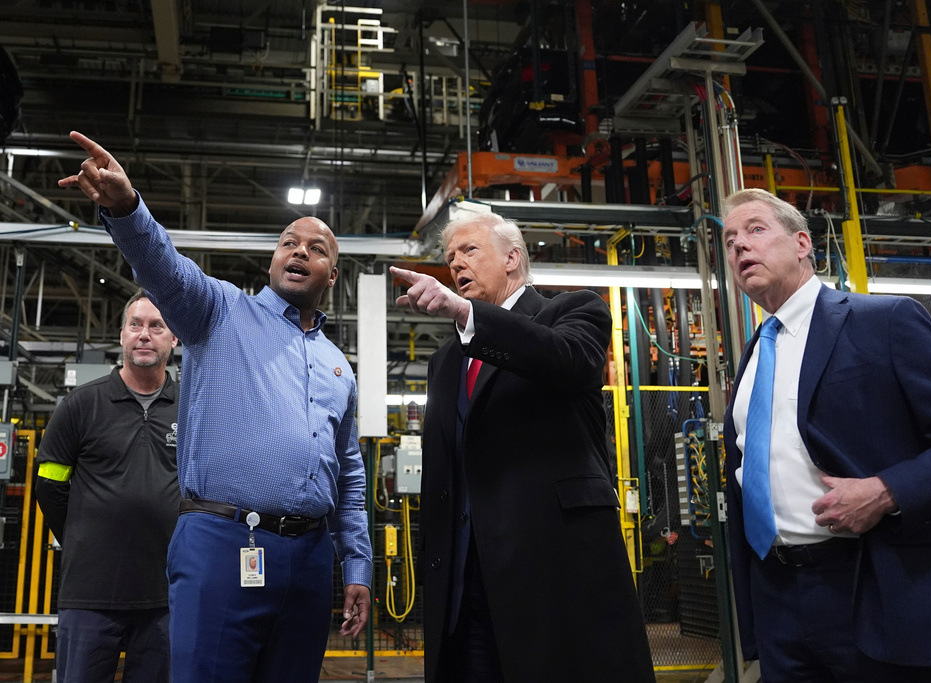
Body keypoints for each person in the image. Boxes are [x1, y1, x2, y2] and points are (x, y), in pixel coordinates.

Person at [58, 131, 371, 683]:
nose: (299, 250)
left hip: (310, 558)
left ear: (332, 274)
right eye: (288, 242)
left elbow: (349, 473)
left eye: (316, 248)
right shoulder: (219, 313)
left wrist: (359, 565)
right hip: (224, 544)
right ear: (274, 259)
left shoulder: (338, 365)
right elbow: (164, 268)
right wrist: (128, 208)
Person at [721, 187, 931, 682]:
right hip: (781, 604)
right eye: (729, 241)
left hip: (879, 589)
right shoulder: (753, 356)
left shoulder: (883, 321)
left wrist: (886, 491)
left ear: (802, 243)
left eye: (755, 230)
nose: (740, 248)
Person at [390, 211, 655, 683]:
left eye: (469, 250)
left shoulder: (574, 311)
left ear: (513, 258)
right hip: (464, 584)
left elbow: (565, 360)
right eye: (450, 258)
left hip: (553, 573)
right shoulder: (447, 359)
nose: (456, 265)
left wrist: (465, 314)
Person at [36, 291, 179, 683]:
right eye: (136, 325)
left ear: (174, 338)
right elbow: (48, 485)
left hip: (165, 596)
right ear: (122, 336)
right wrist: (85, 536)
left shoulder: (192, 409)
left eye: (156, 326)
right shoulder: (81, 405)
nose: (145, 335)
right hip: (90, 594)